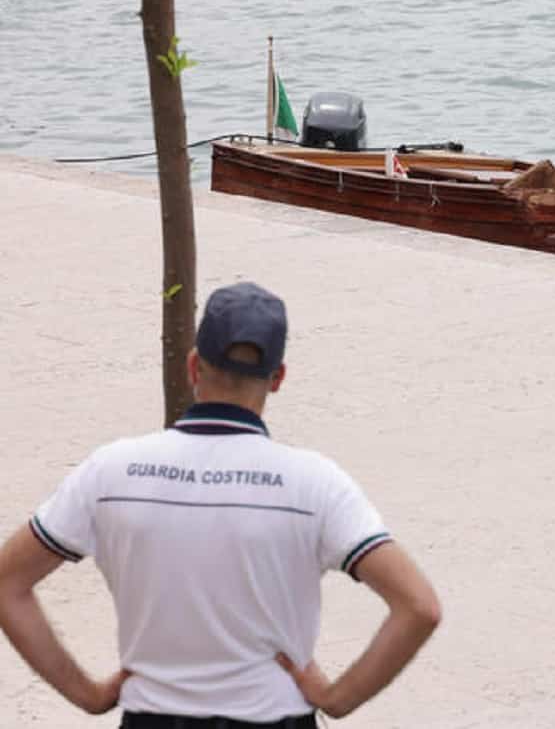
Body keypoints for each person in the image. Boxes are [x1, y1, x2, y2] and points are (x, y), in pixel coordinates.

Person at [0, 281, 441, 727]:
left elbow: (7, 583)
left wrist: (88, 695)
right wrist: (337, 698)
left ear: (193, 365)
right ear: (278, 377)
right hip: (277, 716)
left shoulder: (110, 471)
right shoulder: (316, 484)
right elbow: (419, 607)